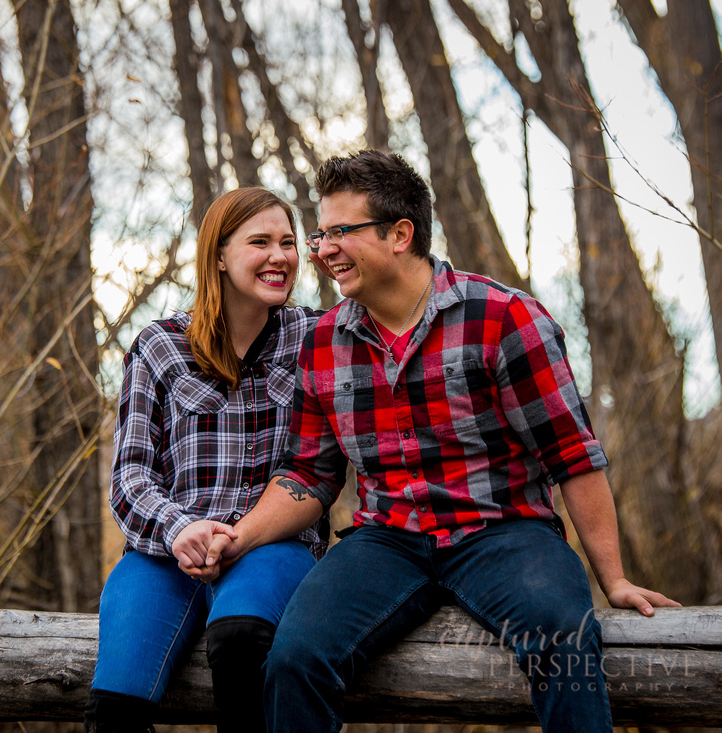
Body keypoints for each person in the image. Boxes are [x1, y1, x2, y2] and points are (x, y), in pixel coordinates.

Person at [186, 151, 680, 732]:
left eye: (340, 232)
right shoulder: (323, 342)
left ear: (400, 234)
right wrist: (237, 538)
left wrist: (613, 579)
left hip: (505, 531)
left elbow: (571, 455)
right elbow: (308, 476)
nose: (321, 250)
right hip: (386, 541)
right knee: (294, 659)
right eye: (320, 234)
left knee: (563, 642)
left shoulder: (503, 318)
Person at [84, 187, 329, 733]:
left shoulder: (316, 338)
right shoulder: (159, 345)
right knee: (113, 713)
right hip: (166, 552)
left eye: (288, 242)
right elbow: (129, 477)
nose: (280, 256)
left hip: (274, 546)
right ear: (218, 254)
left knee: (239, 642)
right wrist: (178, 529)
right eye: (260, 242)